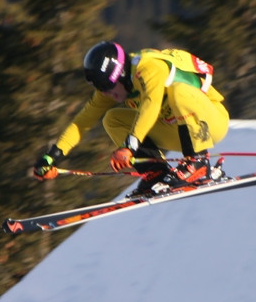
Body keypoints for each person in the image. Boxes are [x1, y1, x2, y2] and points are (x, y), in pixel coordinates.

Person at [33, 41, 230, 196]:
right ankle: (156, 171)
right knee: (112, 119)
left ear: (119, 75)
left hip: (211, 122)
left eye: (107, 88)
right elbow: (82, 122)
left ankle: (198, 163)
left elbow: (150, 106)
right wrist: (52, 156)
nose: (106, 94)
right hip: (177, 130)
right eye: (100, 89)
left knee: (178, 92)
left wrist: (129, 147)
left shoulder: (149, 67)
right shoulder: (113, 86)